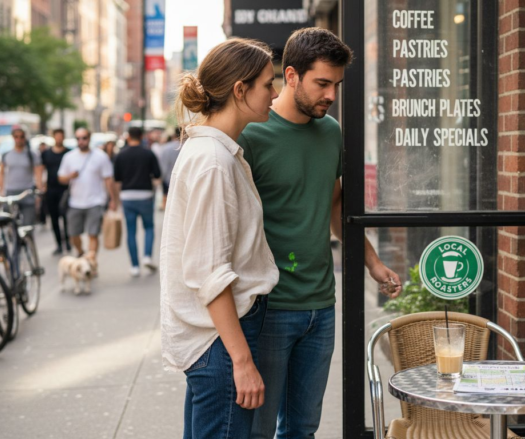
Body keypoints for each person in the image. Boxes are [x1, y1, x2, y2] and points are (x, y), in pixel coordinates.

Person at [239, 28, 403, 439]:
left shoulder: (331, 132)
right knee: (256, 430)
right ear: (291, 76)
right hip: (268, 307)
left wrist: (374, 264)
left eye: (337, 85)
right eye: (322, 83)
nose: (331, 94)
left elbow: (334, 208)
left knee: (302, 429)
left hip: (321, 306)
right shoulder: (251, 135)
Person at [159, 38, 279, 439]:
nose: (275, 92)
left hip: (214, 341)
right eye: (268, 84)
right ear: (240, 90)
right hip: (221, 341)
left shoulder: (214, 152)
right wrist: (242, 361)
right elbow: (209, 272)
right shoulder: (213, 161)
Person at [58, 128, 118, 259]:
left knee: (93, 234)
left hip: (95, 201)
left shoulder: (100, 156)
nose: (81, 141)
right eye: (78, 138)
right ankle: (80, 253)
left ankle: (91, 263)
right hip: (75, 202)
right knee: (73, 235)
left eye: (84, 138)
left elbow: (108, 179)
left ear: (89, 138)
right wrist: (69, 176)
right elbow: (60, 178)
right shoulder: (69, 157)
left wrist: (113, 200)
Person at [113, 126, 161, 277]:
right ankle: (147, 255)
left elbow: (117, 178)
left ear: (128, 137)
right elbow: (157, 174)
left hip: (127, 196)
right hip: (145, 194)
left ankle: (134, 265)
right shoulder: (148, 153)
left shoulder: (121, 155)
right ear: (141, 137)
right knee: (149, 227)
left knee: (131, 231)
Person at [0, 127, 44, 226]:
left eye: (21, 137)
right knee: (10, 224)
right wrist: (1, 190)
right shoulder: (6, 155)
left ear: (25, 137)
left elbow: (38, 173)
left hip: (27, 192)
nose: (19, 139)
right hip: (11, 192)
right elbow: (1, 173)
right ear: (13, 138)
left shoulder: (32, 154)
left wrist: (39, 191)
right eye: (16, 137)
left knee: (28, 225)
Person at [42, 128, 72, 255]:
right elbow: (41, 170)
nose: (59, 138)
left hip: (65, 190)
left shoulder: (69, 153)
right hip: (51, 189)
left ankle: (68, 242)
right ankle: (59, 244)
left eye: (61, 136)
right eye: (57, 136)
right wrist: (41, 186)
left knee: (66, 217)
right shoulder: (46, 153)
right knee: (54, 218)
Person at [152, 127, 181, 210]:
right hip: (183, 179)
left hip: (168, 178)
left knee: (167, 198)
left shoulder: (166, 148)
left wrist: (161, 177)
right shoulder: (187, 147)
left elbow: (163, 165)